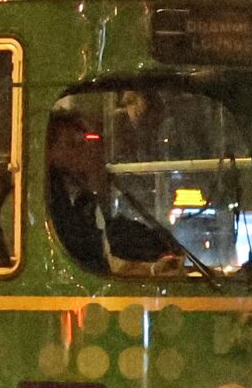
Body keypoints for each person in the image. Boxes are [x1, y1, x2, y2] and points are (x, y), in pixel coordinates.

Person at [47, 116, 171, 275]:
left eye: (83, 144)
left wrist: (154, 264)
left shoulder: (83, 198)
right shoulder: (48, 200)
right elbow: (82, 250)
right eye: (72, 145)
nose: (83, 152)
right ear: (50, 152)